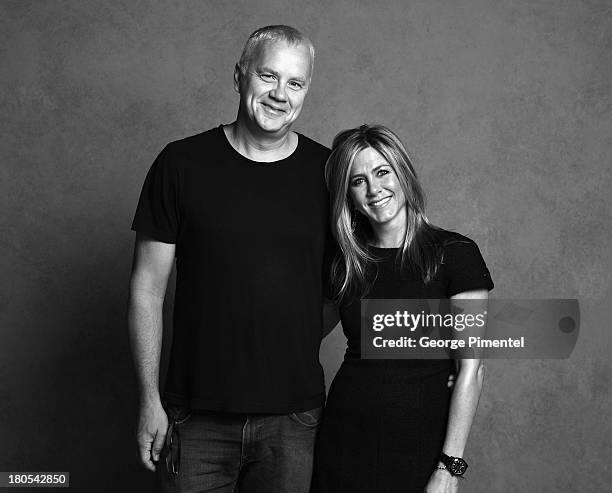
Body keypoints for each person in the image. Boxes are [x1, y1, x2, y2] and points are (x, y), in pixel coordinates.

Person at [127, 25, 331, 492]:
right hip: (194, 416)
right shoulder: (180, 164)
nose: (280, 94)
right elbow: (145, 291)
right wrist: (149, 401)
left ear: (306, 91)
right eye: (268, 76)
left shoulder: (327, 173)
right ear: (239, 77)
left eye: (295, 83)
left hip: (293, 419)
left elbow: (354, 278)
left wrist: (443, 354)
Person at [311, 124, 494, 493]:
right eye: (358, 180)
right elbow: (300, 334)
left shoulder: (455, 254)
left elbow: (471, 371)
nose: (374, 189)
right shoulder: (346, 262)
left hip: (421, 449)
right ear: (347, 194)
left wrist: (450, 467)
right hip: (343, 441)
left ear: (403, 174)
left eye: (382, 172)